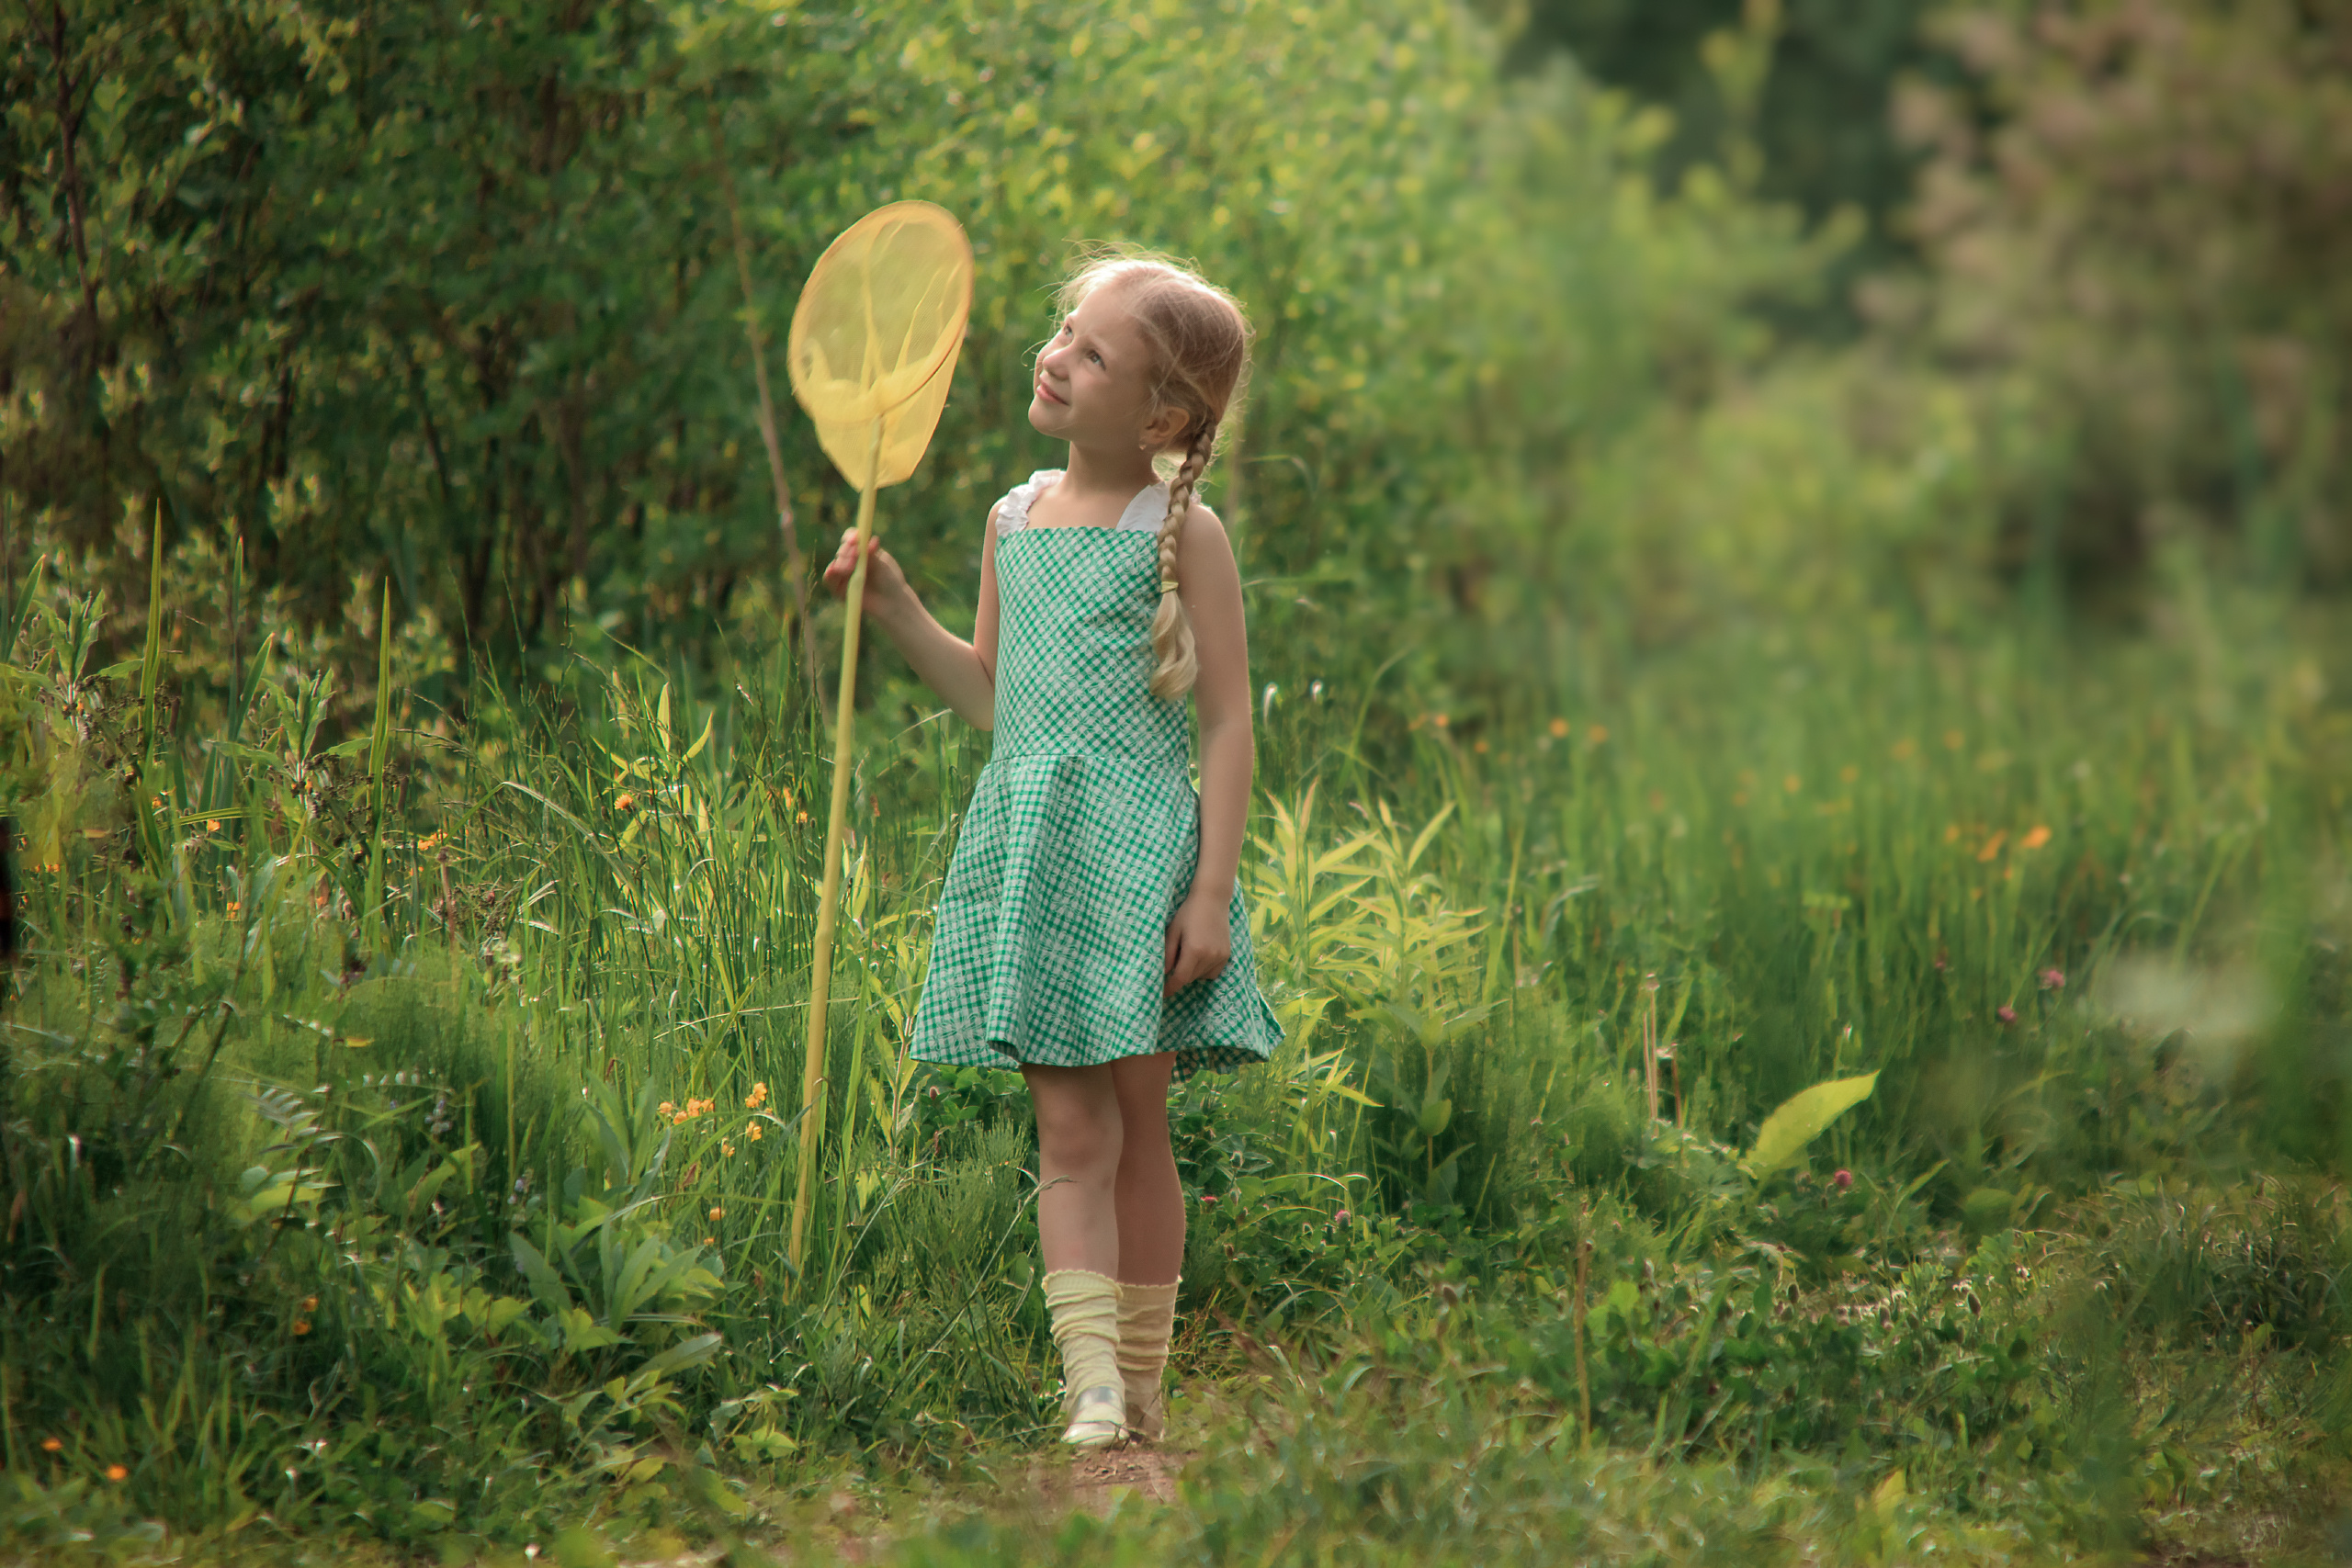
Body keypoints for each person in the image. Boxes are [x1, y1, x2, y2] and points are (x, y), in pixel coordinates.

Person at [821, 251, 1283, 1450]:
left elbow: (1228, 720)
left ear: (1162, 418)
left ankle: (1142, 1382)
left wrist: (1212, 893)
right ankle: (1090, 1386)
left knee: (1139, 1129)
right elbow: (991, 696)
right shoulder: (1012, 519)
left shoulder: (1182, 533)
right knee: (1071, 1135)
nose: (1056, 356)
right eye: (1064, 331)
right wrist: (894, 607)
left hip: (1139, 865)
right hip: (1035, 851)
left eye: (1093, 352)